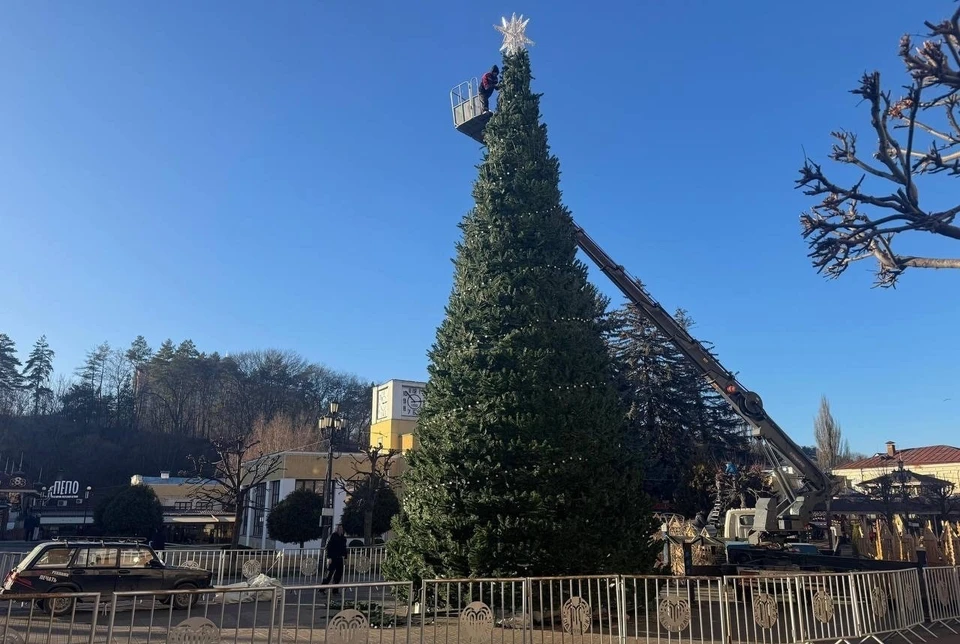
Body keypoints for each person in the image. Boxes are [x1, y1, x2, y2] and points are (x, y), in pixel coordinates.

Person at [321, 525, 348, 593]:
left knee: (338, 575)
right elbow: (327, 548)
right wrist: (328, 557)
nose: (340, 530)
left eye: (341, 529)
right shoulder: (332, 536)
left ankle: (335, 590)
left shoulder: (343, 538)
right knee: (329, 574)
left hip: (339, 558)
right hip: (332, 558)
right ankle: (322, 589)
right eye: (339, 529)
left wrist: (345, 558)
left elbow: (344, 549)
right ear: (336, 529)